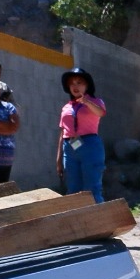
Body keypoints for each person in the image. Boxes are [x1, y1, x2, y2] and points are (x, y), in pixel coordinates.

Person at [57, 67, 106, 203]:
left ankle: (98, 219)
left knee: (92, 189)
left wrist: (87, 102)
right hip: (70, 146)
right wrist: (59, 159)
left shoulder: (95, 102)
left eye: (79, 82)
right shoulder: (67, 107)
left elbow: (101, 113)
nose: (75, 86)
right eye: (72, 83)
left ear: (87, 85)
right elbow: (62, 132)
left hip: (90, 145)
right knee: (73, 190)